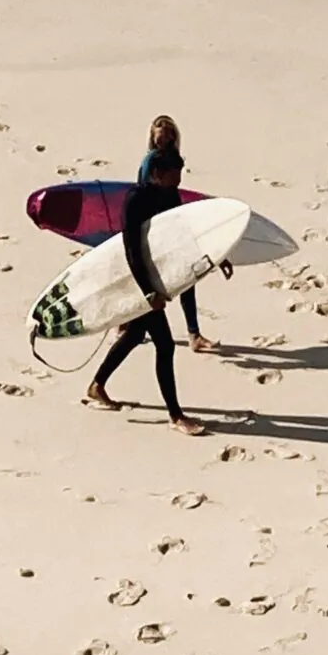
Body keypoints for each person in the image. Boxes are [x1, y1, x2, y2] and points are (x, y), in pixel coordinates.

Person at [84, 141, 206, 436]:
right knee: (164, 344)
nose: (179, 181)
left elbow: (182, 235)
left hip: (155, 274)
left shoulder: (169, 195)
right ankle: (176, 416)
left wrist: (217, 256)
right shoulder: (135, 200)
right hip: (136, 277)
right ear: (157, 173)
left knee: (137, 333)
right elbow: (131, 250)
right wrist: (147, 292)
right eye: (174, 175)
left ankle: (97, 386)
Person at [140, 112, 221, 352]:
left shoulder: (174, 160)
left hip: (174, 223)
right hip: (157, 228)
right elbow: (142, 195)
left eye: (166, 139)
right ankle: (126, 325)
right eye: (158, 140)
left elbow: (174, 197)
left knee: (187, 281)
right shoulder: (150, 161)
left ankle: (194, 335)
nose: (162, 144)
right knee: (149, 284)